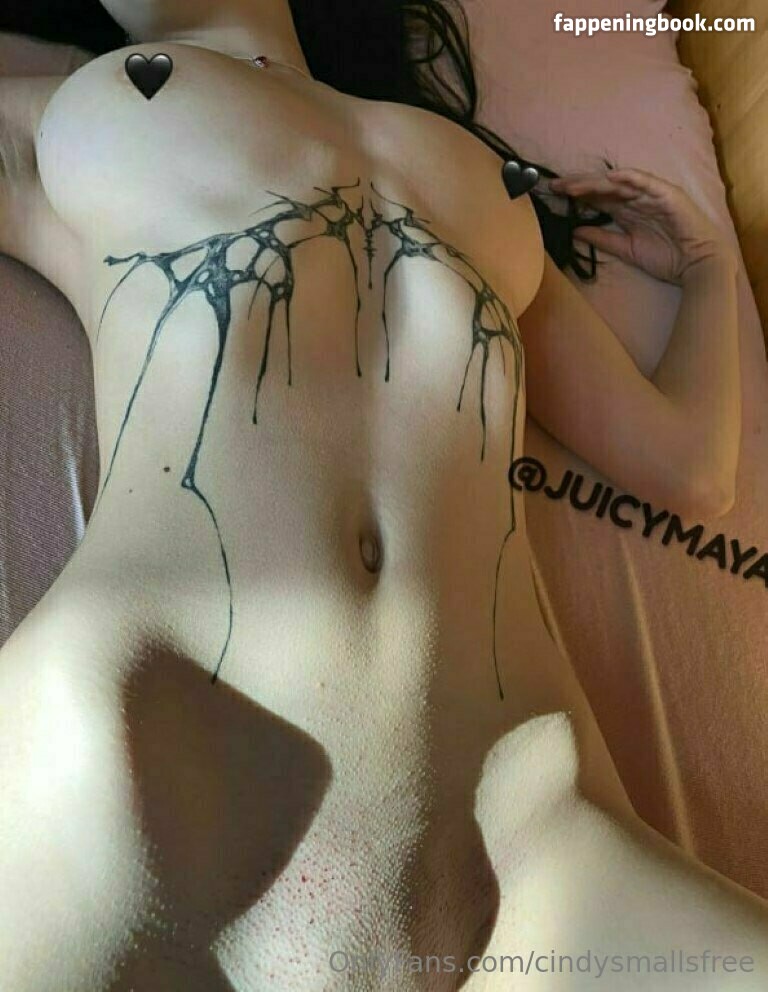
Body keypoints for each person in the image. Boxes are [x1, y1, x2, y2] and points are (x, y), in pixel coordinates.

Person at [0, 1, 764, 989]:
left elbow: (688, 470)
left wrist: (708, 270)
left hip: (524, 826)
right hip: (138, 756)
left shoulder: (476, 174)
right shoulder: (78, 105)